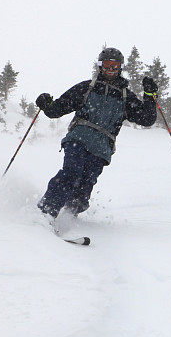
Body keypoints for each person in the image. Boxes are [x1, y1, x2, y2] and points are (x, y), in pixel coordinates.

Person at [34, 47, 158, 219]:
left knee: (83, 189)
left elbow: (147, 119)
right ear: (100, 66)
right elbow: (56, 110)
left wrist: (150, 95)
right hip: (78, 139)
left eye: (115, 66)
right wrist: (45, 103)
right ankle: (45, 213)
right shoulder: (87, 88)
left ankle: (68, 218)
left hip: (101, 148)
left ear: (121, 68)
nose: (111, 70)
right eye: (107, 65)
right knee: (71, 174)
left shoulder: (125, 96)